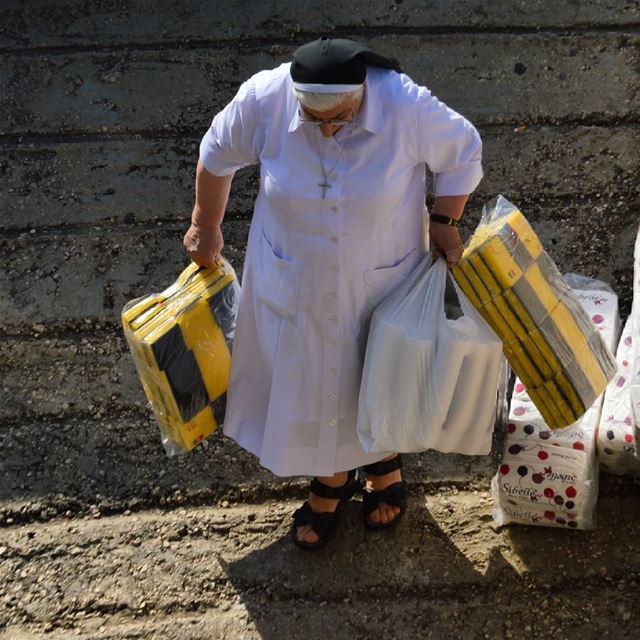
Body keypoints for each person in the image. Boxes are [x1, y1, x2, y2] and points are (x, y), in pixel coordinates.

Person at [183, 38, 483, 550]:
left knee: (375, 367)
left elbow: (464, 149)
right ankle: (331, 477)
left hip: (379, 273)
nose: (326, 128)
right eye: (313, 117)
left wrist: (443, 221)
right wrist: (204, 228)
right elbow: (215, 155)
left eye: (340, 117)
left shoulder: (403, 103)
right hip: (292, 274)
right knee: (308, 377)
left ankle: (383, 461)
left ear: (362, 93)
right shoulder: (265, 97)